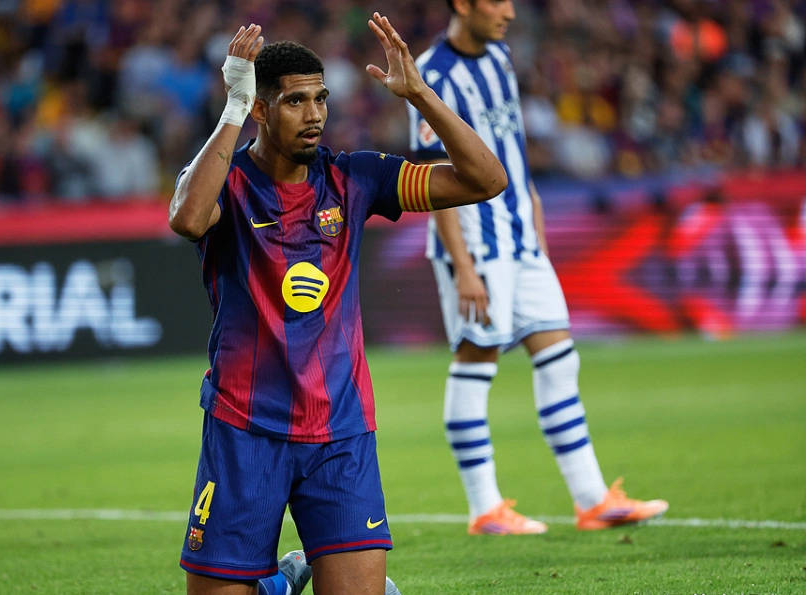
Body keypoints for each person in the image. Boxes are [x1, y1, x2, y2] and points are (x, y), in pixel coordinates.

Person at [170, 13, 507, 595]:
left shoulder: (355, 178)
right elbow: (188, 218)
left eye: (321, 99)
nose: (315, 114)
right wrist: (232, 107)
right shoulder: (226, 181)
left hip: (339, 430)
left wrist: (420, 95)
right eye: (296, 101)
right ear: (261, 109)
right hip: (244, 426)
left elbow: (485, 180)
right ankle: (279, 584)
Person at [408, 0, 669, 535]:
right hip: (477, 242)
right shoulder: (432, 74)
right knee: (476, 362)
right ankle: (485, 508)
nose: (508, 11)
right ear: (463, 4)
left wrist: (538, 231)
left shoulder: (501, 57)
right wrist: (463, 266)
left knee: (559, 360)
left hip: (523, 238)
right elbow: (432, 173)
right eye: (497, 1)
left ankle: (593, 500)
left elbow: (515, 153)